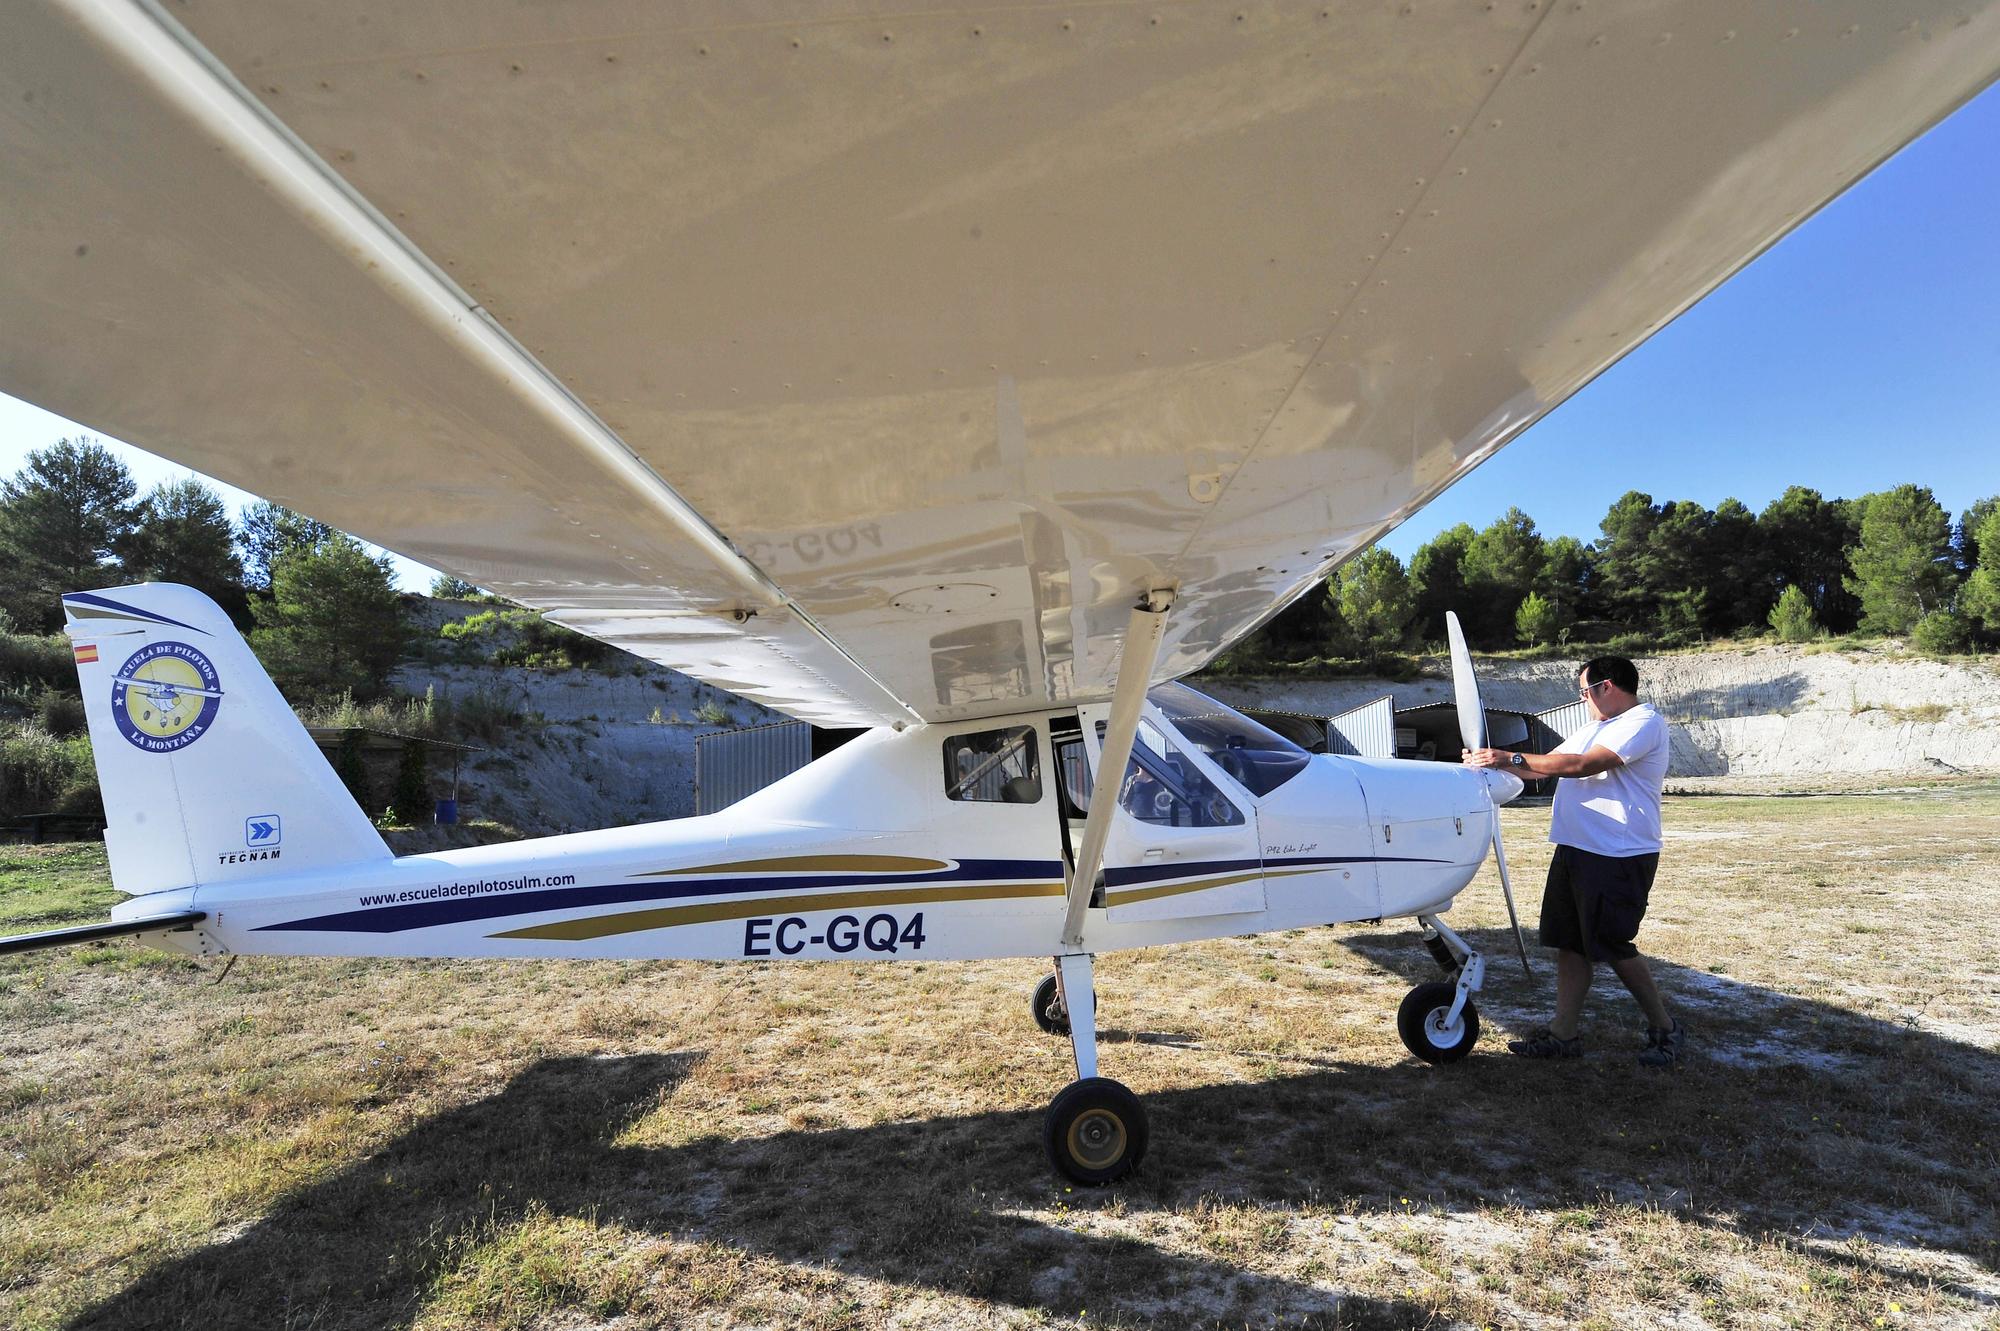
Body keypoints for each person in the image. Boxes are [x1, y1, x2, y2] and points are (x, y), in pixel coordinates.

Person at [1464, 655, 1686, 1066]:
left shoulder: (1643, 723)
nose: (1583, 699)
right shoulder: (1594, 728)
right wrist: (1485, 763)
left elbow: (1582, 766)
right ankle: (1563, 1035)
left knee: (1613, 944)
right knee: (1570, 942)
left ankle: (1666, 1029)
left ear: (1607, 686)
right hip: (1577, 849)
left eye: (1585, 691)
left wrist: (1507, 758)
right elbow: (1544, 768)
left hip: (1617, 853)